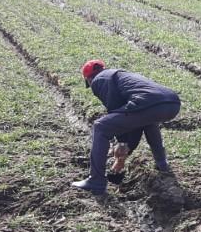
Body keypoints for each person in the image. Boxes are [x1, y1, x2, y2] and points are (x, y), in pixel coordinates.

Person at [72, 60, 181, 195]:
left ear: (89, 78)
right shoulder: (119, 75)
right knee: (148, 121)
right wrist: (125, 149)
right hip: (172, 103)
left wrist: (122, 145)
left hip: (148, 103)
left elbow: (116, 109)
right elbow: (132, 119)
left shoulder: (99, 80)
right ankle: (162, 164)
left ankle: (96, 181)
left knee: (101, 127)